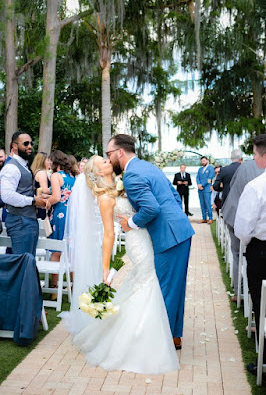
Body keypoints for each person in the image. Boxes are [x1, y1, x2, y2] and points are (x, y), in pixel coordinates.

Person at [60, 155, 179, 374]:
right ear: (97, 173)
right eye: (102, 162)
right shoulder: (104, 198)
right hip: (137, 243)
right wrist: (105, 268)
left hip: (145, 236)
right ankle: (140, 340)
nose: (108, 161)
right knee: (148, 281)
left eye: (106, 159)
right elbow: (108, 235)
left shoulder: (120, 184)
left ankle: (143, 334)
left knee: (141, 284)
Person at [107, 134, 195, 351]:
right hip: (178, 230)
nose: (108, 159)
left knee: (166, 288)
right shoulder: (149, 167)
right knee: (175, 287)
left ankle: (159, 343)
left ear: (120, 152)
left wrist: (131, 223)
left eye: (109, 154)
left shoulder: (131, 175)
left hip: (169, 236)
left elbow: (152, 208)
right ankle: (174, 336)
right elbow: (174, 197)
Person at [234, 134, 266, 378]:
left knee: (262, 304)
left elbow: (243, 228)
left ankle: (263, 362)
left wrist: (248, 244)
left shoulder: (256, 187)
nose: (254, 159)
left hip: (261, 251)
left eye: (255, 154)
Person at [222, 158, 264, 302]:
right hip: (242, 217)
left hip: (237, 214)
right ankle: (243, 294)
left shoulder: (245, 166)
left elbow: (232, 186)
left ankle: (239, 292)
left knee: (238, 255)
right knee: (240, 253)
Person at [0, 131, 46, 255]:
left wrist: (38, 198)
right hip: (20, 222)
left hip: (28, 220)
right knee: (22, 262)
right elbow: (7, 196)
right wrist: (33, 200)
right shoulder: (11, 168)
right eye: (25, 144)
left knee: (28, 262)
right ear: (14, 146)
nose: (30, 146)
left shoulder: (24, 165)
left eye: (31, 143)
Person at [46, 150, 76, 288]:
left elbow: (56, 197)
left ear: (54, 162)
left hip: (60, 215)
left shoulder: (56, 176)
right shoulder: (72, 176)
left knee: (56, 250)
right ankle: (73, 286)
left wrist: (46, 202)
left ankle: (54, 287)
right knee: (70, 251)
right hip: (72, 214)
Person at [31, 152, 51, 219]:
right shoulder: (42, 173)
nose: (49, 162)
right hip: (41, 203)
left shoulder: (35, 171)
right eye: (47, 160)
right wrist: (55, 188)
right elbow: (45, 190)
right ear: (42, 161)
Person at [196, 156, 215, 224]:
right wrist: (198, 184)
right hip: (200, 189)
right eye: (202, 161)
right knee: (202, 204)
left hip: (207, 188)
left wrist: (202, 185)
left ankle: (210, 218)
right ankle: (204, 218)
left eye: (204, 161)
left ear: (207, 161)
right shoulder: (200, 169)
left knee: (208, 203)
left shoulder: (211, 168)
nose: (203, 162)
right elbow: (197, 177)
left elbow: (209, 179)